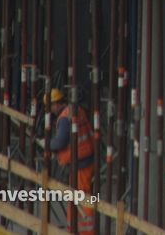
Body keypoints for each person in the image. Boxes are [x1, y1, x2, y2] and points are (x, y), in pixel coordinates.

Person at [40, 88, 96, 234]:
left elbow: (60, 142)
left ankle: (85, 231)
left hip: (81, 163)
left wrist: (47, 144)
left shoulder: (64, 118)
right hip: (85, 160)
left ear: (55, 104)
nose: (50, 111)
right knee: (80, 196)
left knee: (82, 197)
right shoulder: (75, 110)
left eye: (50, 107)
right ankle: (76, 229)